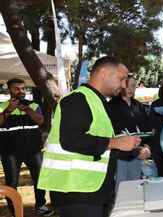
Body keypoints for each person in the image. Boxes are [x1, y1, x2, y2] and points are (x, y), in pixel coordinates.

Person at [37, 56, 141, 217]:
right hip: (76, 192)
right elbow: (72, 140)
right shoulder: (77, 99)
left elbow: (100, 146)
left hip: (92, 190)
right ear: (104, 73)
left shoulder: (97, 101)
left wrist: (133, 150)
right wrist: (115, 142)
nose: (123, 86)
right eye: (121, 79)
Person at [0, 78, 54, 216]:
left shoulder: (34, 105)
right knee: (11, 182)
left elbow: (40, 120)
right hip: (10, 152)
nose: (21, 91)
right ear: (9, 90)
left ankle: (41, 205)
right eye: (17, 89)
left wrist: (27, 109)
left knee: (40, 178)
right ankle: (15, 211)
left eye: (23, 88)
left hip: (33, 150)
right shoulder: (2, 105)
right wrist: (9, 110)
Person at [108, 67, 152, 190]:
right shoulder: (111, 106)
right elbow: (113, 134)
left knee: (137, 189)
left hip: (139, 156)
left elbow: (147, 130)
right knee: (121, 190)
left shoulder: (138, 105)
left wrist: (147, 147)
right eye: (126, 85)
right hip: (120, 158)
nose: (129, 89)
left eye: (133, 86)